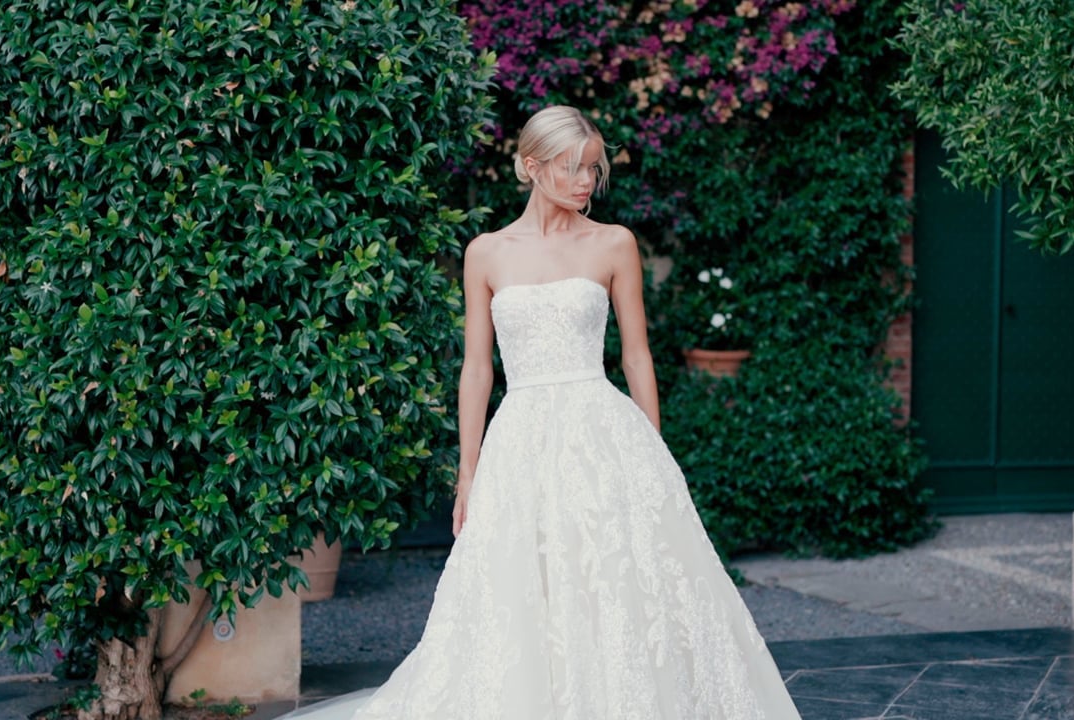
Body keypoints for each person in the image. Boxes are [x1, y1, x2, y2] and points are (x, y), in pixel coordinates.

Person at [280, 105, 803, 719]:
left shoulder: (613, 243)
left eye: (593, 168)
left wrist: (653, 454)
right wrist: (467, 472)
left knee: (614, 581)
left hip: (604, 432)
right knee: (522, 585)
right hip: (522, 439)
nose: (586, 181)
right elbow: (478, 370)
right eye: (571, 167)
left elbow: (636, 356)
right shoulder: (487, 252)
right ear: (531, 168)